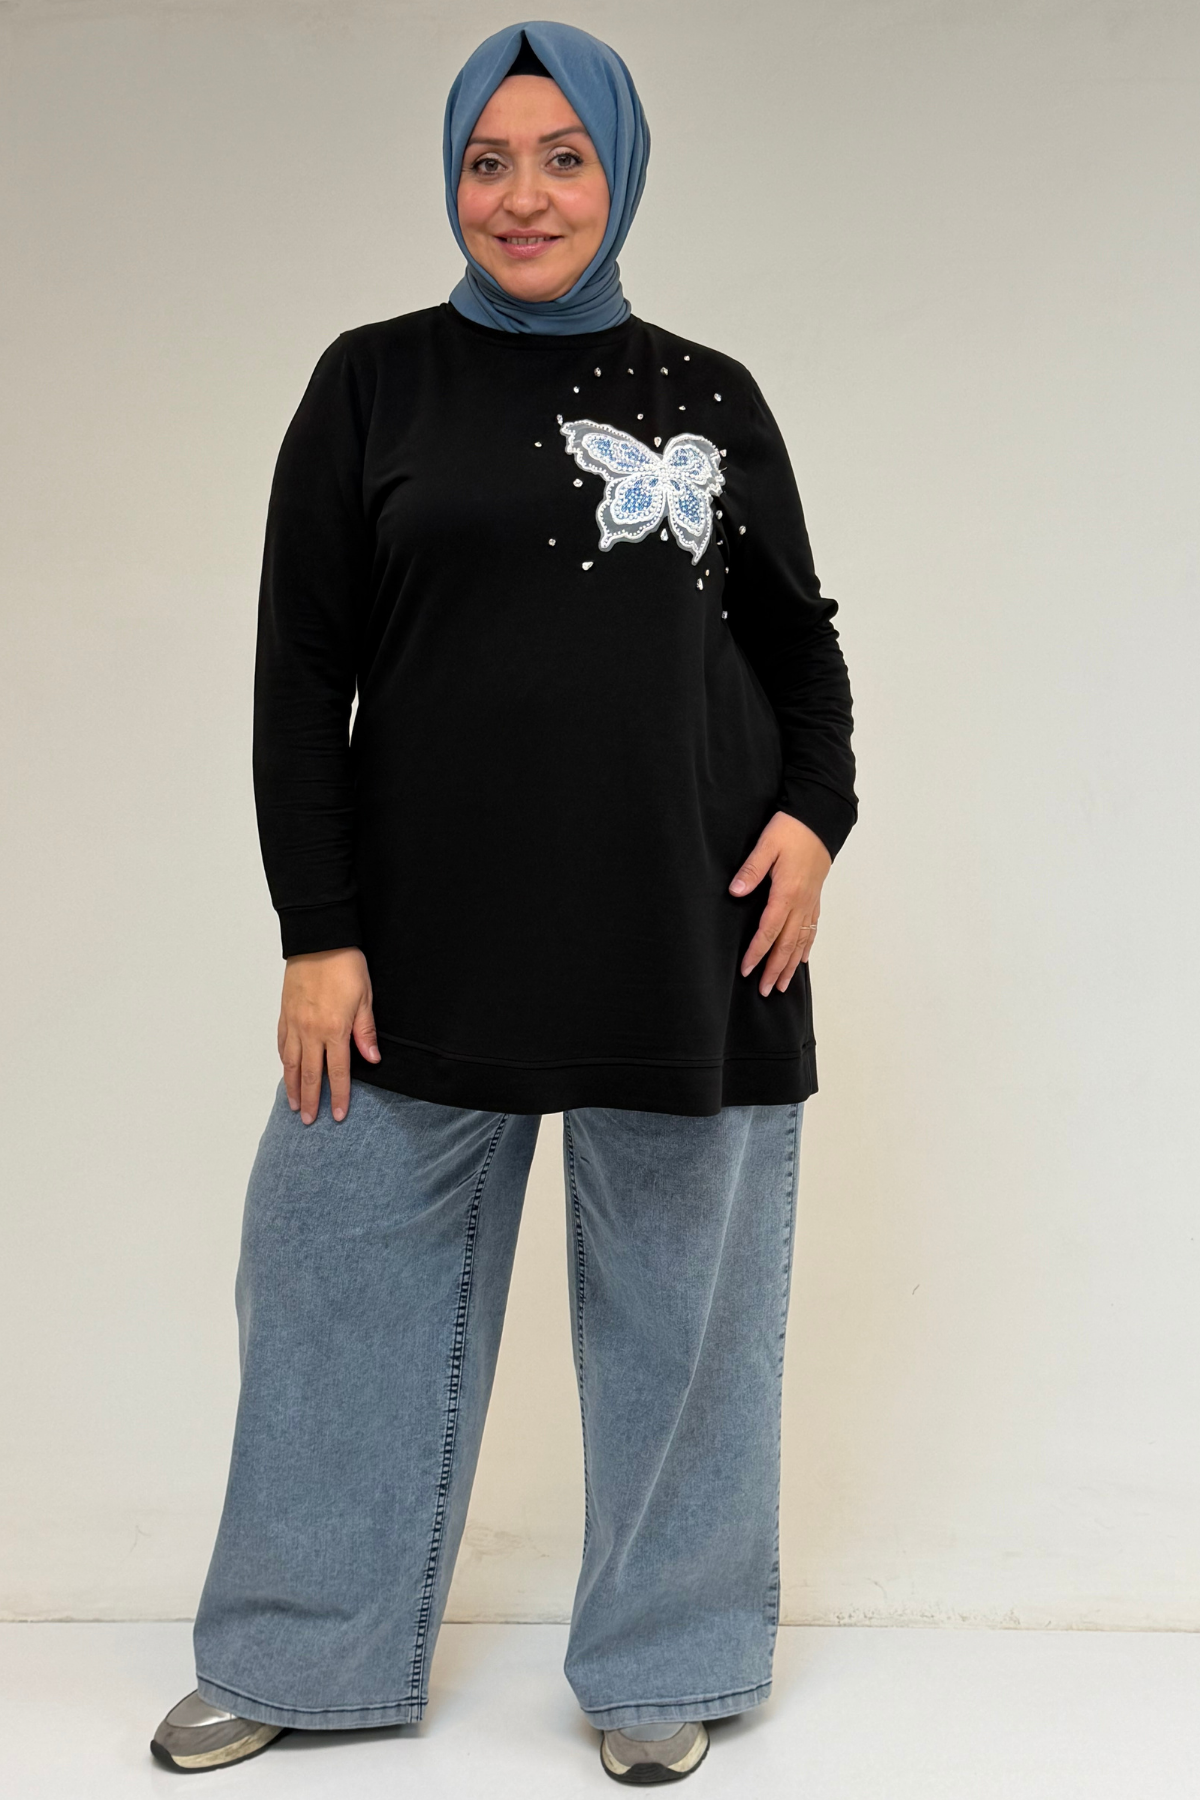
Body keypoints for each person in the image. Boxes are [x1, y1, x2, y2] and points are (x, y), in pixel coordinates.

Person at [150, 18, 856, 1786]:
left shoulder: (708, 394)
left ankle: (665, 1660)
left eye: (562, 159)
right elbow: (299, 676)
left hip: (688, 928)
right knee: (328, 1284)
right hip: (416, 943)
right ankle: (299, 1648)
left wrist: (815, 823)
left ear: (620, 175)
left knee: (684, 1322)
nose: (522, 196)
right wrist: (317, 932)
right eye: (488, 160)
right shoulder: (371, 384)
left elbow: (800, 643)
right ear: (451, 177)